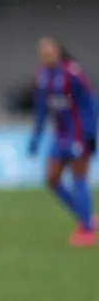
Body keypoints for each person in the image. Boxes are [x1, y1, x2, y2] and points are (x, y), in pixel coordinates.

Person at [29, 36, 97, 247]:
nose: (46, 55)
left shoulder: (72, 73)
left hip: (78, 134)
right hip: (59, 136)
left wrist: (91, 133)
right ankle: (85, 216)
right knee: (52, 179)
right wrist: (36, 137)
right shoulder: (42, 77)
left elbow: (90, 102)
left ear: (58, 52)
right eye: (42, 52)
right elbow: (41, 109)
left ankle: (86, 230)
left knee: (78, 179)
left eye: (49, 51)